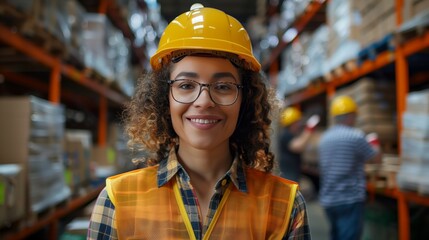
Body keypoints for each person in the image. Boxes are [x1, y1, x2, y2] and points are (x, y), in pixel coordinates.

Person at [88, 3, 311, 240]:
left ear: (245, 100)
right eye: (186, 85)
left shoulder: (286, 205)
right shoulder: (118, 200)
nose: (204, 101)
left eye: (223, 86)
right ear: (165, 99)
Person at [318, 95, 382, 240]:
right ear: (351, 116)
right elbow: (376, 159)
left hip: (329, 200)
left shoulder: (325, 138)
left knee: (335, 236)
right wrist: (375, 142)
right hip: (349, 199)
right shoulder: (355, 136)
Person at [278, 107, 319, 183]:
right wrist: (309, 129)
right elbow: (298, 146)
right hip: (289, 178)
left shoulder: (291, 135)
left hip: (292, 176)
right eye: (298, 122)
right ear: (293, 123)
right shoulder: (286, 135)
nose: (300, 124)